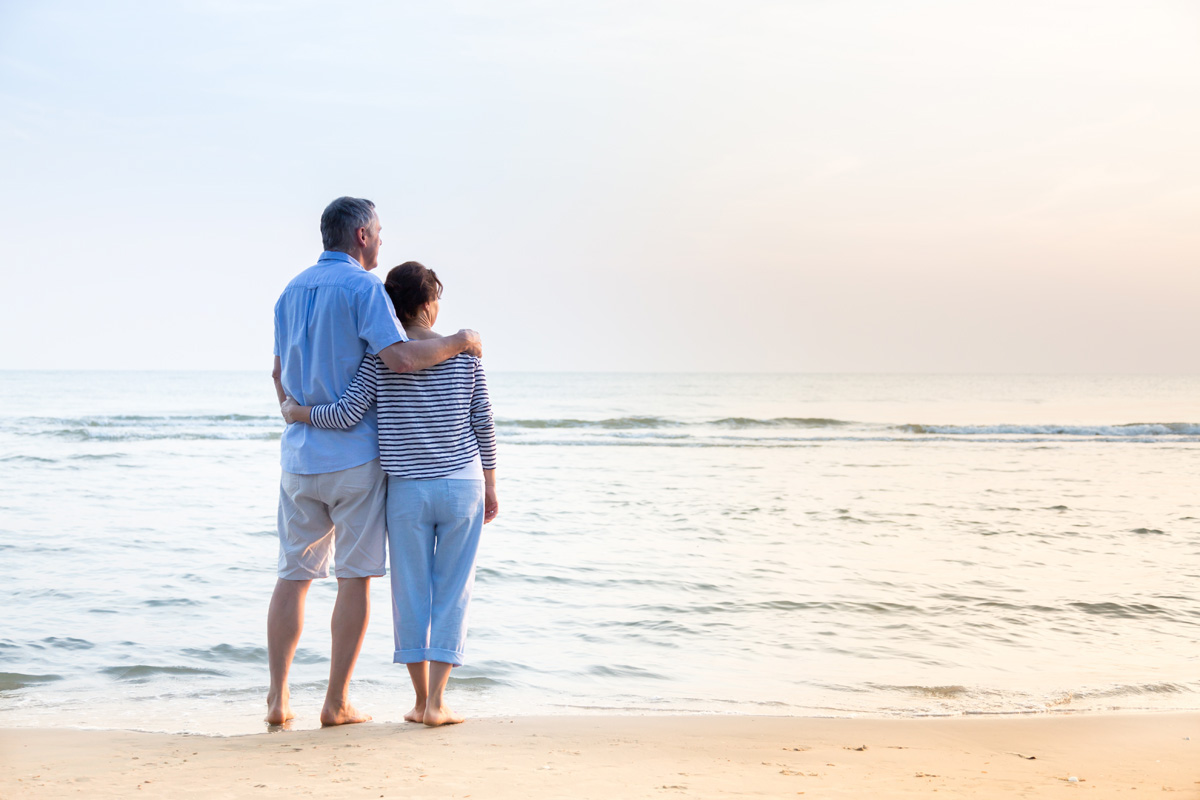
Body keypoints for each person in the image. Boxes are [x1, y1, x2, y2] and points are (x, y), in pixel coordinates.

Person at [268, 198, 482, 727]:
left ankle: (277, 700)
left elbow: (277, 372)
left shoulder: (288, 292)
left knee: (293, 577)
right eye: (379, 233)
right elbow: (401, 359)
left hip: (298, 457)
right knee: (355, 578)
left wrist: (295, 411)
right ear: (361, 235)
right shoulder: (365, 289)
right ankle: (336, 702)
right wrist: (462, 340)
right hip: (353, 461)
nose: (382, 242)